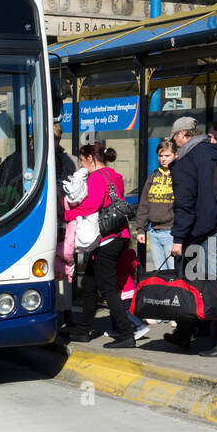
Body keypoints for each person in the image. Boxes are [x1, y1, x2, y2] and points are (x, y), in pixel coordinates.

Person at [166, 116, 217, 357]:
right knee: (192, 278)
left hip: (210, 231)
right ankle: (185, 334)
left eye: (175, 137)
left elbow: (184, 204)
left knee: (216, 283)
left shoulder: (187, 160)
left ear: (182, 135)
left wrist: (178, 238)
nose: (174, 143)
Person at [64, 143, 137, 348]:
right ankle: (83, 330)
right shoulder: (115, 175)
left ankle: (126, 334)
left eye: (82, 159)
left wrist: (67, 215)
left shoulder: (96, 177)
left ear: (91, 159)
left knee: (107, 289)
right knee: (88, 284)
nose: (81, 163)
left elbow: (91, 205)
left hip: (107, 238)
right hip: (117, 235)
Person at [135, 138, 177, 271]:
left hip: (171, 232)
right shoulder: (153, 176)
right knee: (160, 272)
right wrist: (141, 229)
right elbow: (144, 204)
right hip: (153, 232)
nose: (163, 159)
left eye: (167, 155)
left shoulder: (178, 176)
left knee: (173, 272)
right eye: (160, 155)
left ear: (176, 155)